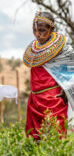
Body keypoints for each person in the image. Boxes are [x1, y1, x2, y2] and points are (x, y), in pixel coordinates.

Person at [23, 11, 74, 140]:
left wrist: (66, 89)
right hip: (35, 101)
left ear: (51, 29)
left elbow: (72, 67)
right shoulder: (34, 50)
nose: (37, 34)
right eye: (34, 30)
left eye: (41, 30)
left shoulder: (63, 49)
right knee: (34, 141)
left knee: (54, 138)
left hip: (54, 100)